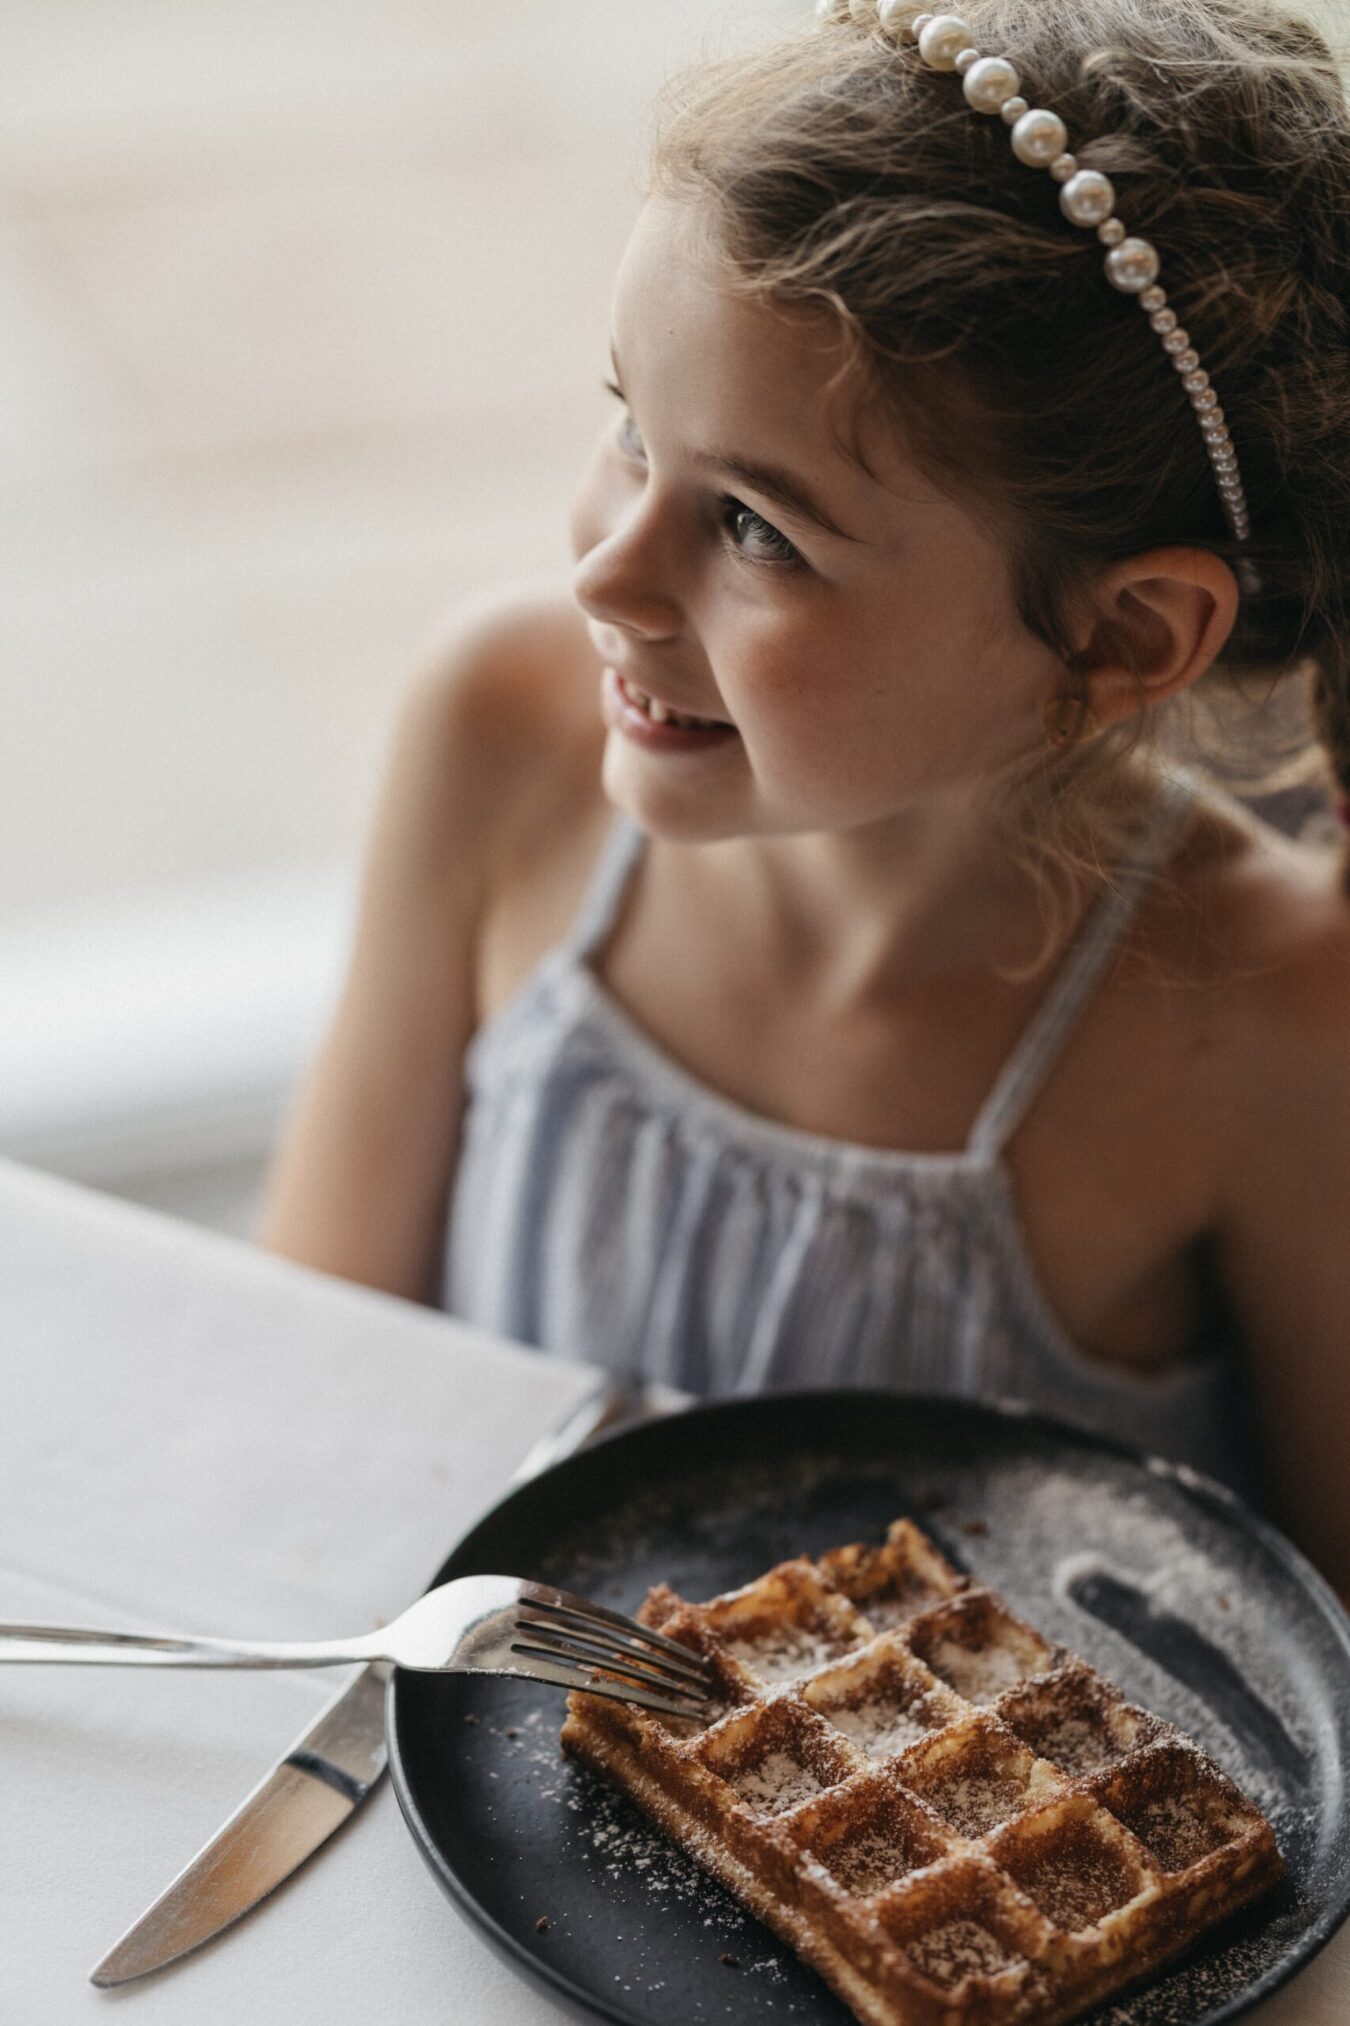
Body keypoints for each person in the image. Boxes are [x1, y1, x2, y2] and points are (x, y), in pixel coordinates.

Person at [261, 0, 1350, 1585]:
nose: (608, 577)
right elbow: (307, 1351)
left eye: (758, 528)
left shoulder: (1262, 1012)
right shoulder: (499, 728)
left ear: (1119, 635)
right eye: (634, 429)